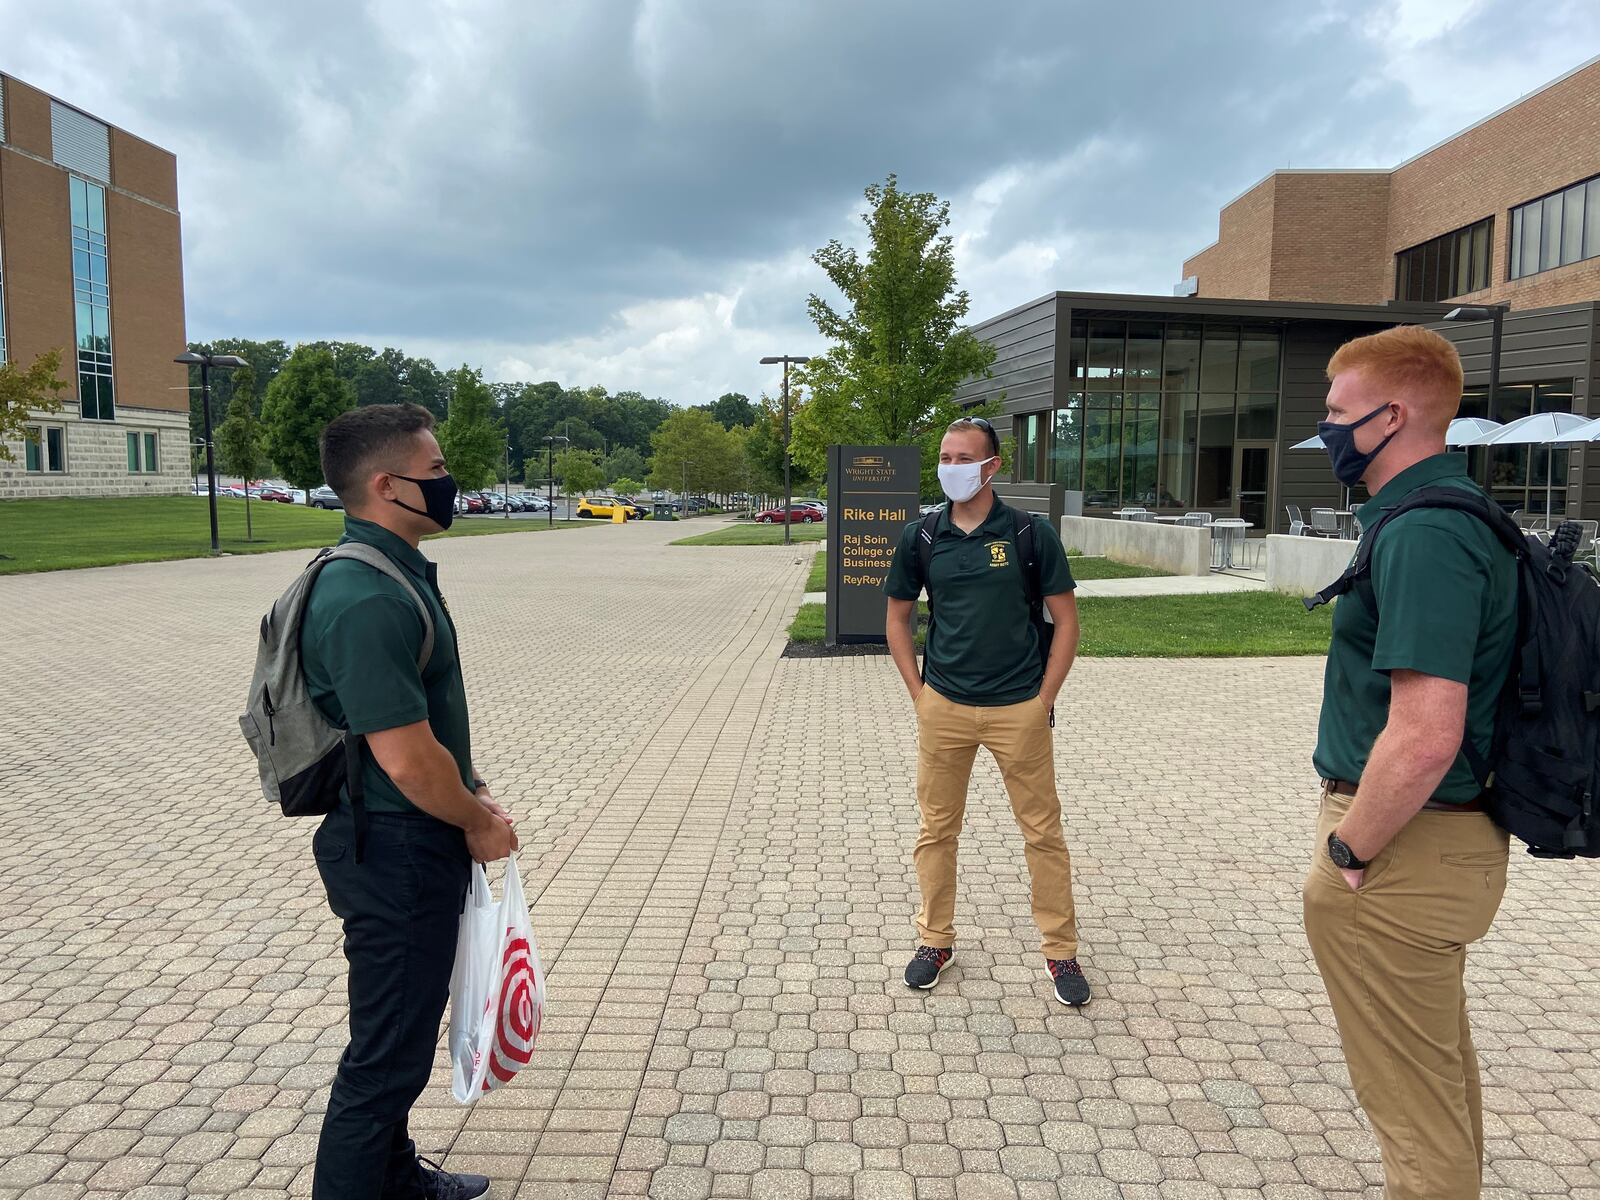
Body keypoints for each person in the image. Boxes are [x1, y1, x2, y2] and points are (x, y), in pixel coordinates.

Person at [1303, 326, 1516, 1199]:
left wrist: (1347, 852)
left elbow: (1426, 732)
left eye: (1336, 415)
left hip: (1401, 851)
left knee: (1414, 1120)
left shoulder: (1425, 532)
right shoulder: (1445, 515)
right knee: (1434, 1082)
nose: (1326, 433)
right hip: (1433, 844)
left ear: (1393, 416)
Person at [303, 404, 517, 1200]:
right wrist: (475, 822)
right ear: (387, 485)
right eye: (436, 473)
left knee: (399, 1042)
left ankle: (394, 1179)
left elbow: (430, 730)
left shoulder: (392, 575)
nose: (450, 484)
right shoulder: (363, 596)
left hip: (409, 839)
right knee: (384, 1056)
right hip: (395, 850)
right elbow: (404, 757)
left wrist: (476, 791)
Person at [883, 415, 1090, 1006]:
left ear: (992, 465)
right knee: (936, 831)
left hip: (1018, 708)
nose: (952, 468)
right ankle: (934, 941)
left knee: (1043, 834)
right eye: (945, 458)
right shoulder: (922, 537)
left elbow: (1067, 621)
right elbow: (898, 618)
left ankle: (1060, 952)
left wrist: (1044, 699)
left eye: (964, 458)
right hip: (943, 705)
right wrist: (919, 694)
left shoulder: (1029, 533)